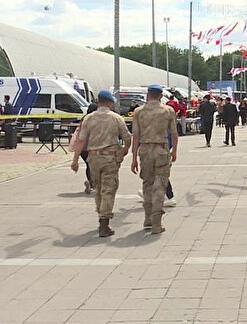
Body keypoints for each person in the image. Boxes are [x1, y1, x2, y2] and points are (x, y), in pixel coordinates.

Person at [71, 89, 131, 237]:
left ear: (98, 102)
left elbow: (80, 140)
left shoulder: (89, 119)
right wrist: (125, 150)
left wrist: (75, 160)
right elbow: (127, 138)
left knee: (98, 189)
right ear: (110, 102)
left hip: (93, 158)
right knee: (108, 190)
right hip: (110, 159)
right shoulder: (116, 118)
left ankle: (101, 217)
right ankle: (104, 223)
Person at [131, 84, 178, 234]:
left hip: (144, 150)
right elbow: (174, 134)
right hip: (161, 150)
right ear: (160, 96)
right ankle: (157, 223)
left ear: (147, 95)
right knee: (160, 185)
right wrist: (174, 151)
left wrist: (133, 157)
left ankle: (147, 218)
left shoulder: (138, 112)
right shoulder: (168, 111)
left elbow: (136, 136)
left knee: (147, 184)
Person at [78, 102, 99, 194]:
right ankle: (92, 183)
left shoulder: (84, 119)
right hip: (92, 147)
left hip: (82, 148)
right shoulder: (95, 119)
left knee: (88, 165)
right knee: (95, 166)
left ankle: (90, 182)